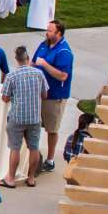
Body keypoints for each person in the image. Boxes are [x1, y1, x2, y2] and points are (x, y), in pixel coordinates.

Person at [0, 44, 48, 187]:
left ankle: (11, 179)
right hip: (34, 117)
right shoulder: (38, 73)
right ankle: (31, 178)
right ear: (27, 58)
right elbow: (45, 94)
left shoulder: (11, 76)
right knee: (34, 147)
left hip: (17, 117)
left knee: (15, 148)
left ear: (16, 59)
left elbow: (5, 98)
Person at [34, 21, 74, 173]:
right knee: (34, 125)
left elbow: (63, 76)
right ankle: (34, 156)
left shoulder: (64, 52)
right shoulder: (44, 44)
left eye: (51, 31)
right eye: (47, 30)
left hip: (54, 96)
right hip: (39, 93)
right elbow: (33, 62)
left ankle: (50, 160)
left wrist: (44, 64)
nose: (47, 33)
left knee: (51, 129)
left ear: (59, 34)